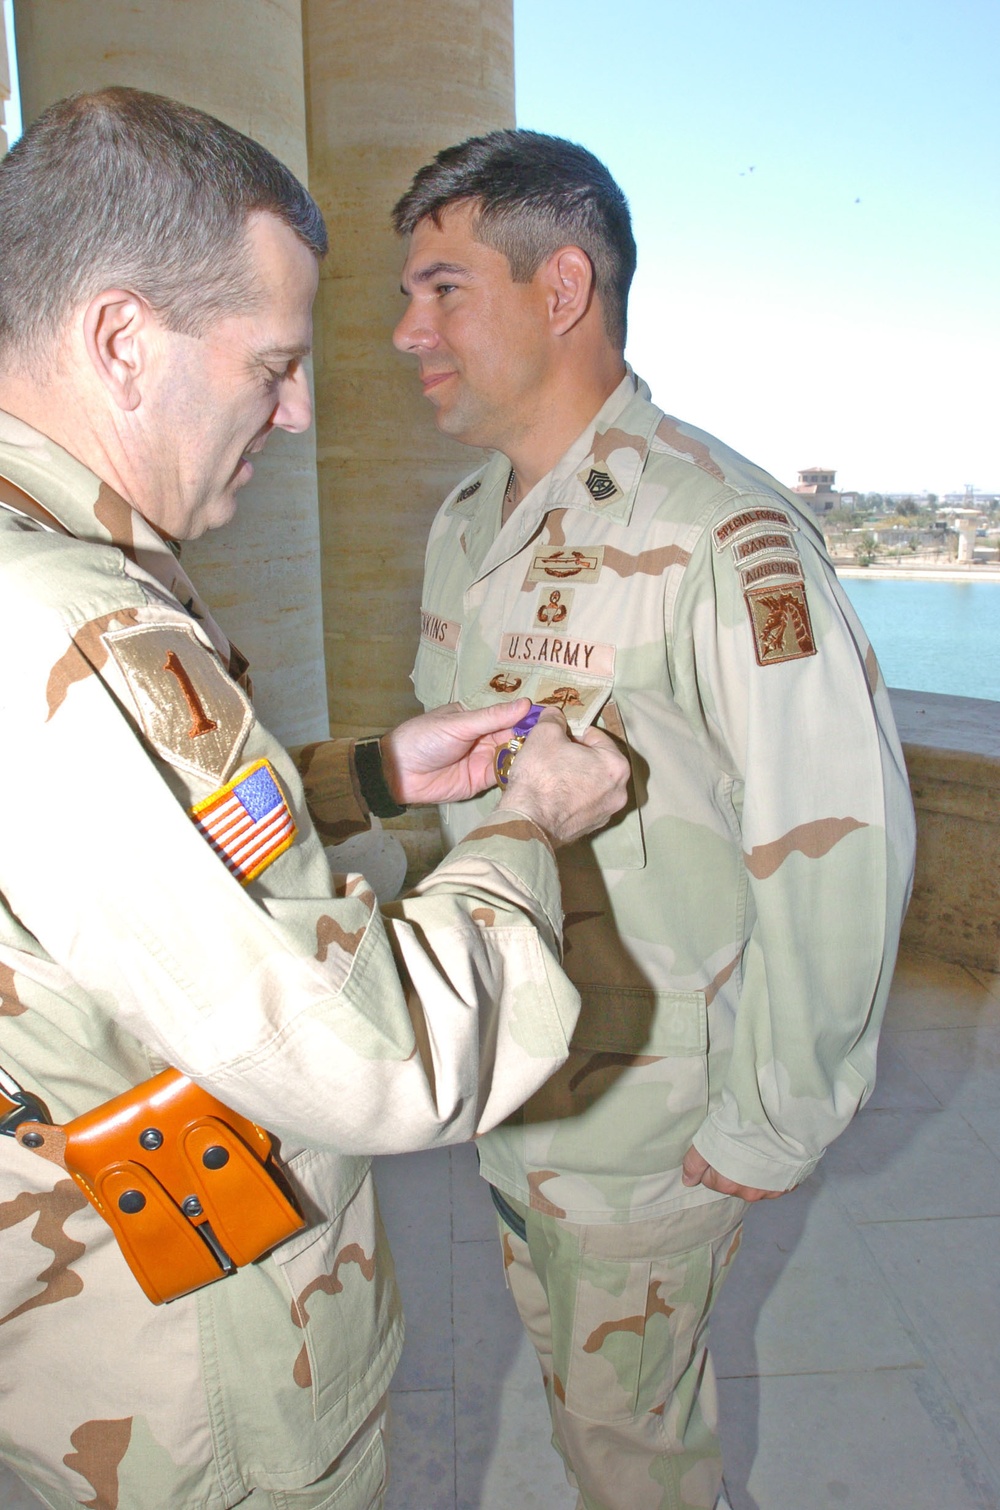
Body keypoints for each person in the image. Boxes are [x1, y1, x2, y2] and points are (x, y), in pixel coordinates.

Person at [0, 92, 630, 1510]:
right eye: (270, 365)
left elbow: (126, 865)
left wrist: (375, 774)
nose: (295, 410)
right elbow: (374, 1056)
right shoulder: (62, 625)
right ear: (119, 339)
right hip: (184, 1387)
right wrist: (528, 824)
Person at [392, 130, 917, 1510]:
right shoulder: (464, 521)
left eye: (443, 290)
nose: (406, 331)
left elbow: (835, 840)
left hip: (646, 1122)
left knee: (636, 1464)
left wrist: (768, 1121)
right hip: (521, 1088)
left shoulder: (719, 533)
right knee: (593, 1427)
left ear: (560, 288)